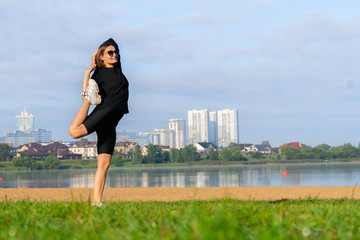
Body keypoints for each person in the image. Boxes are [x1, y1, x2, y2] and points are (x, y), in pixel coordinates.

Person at [69, 38, 129, 206]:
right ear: (102, 56)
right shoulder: (100, 74)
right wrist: (88, 71)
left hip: (111, 122)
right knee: (74, 132)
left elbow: (111, 44)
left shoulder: (117, 69)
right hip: (106, 110)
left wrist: (100, 53)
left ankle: (96, 202)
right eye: (110, 53)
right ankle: (90, 101)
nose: (114, 55)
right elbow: (84, 92)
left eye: (116, 52)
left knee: (104, 163)